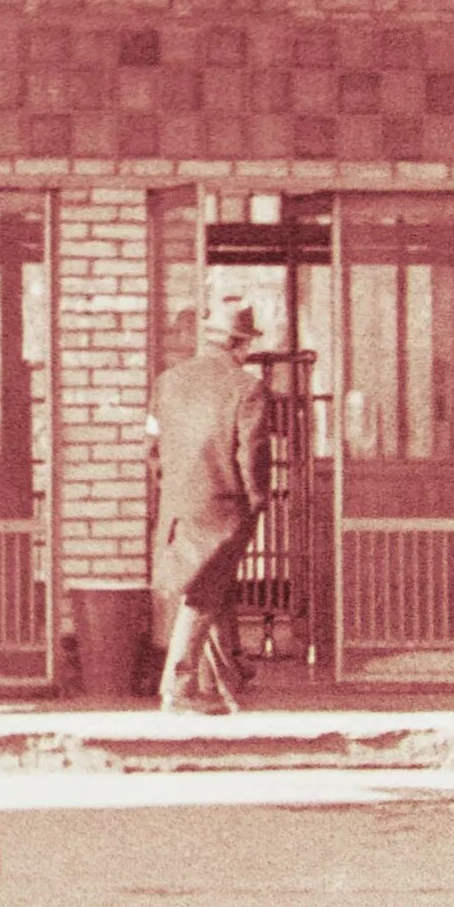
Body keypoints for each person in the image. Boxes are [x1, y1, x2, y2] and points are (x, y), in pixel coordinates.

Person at [146, 297, 270, 715]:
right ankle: (178, 690)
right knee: (202, 595)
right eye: (247, 343)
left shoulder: (168, 381)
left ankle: (230, 675)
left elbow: (153, 449)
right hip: (223, 508)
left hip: (178, 507)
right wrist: (255, 502)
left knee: (211, 588)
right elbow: (251, 456)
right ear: (240, 345)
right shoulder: (247, 387)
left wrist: (174, 490)